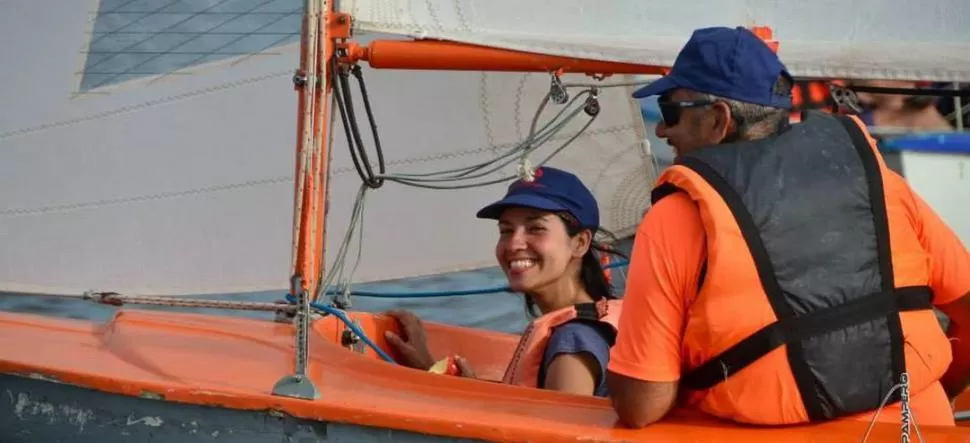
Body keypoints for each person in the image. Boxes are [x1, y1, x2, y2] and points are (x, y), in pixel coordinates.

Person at [606, 26, 970, 428]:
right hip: (917, 428)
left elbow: (642, 405)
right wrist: (936, 390)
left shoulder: (675, 219)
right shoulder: (878, 182)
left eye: (670, 110)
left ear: (718, 119)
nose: (662, 129)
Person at [383, 166, 625, 397]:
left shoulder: (573, 343)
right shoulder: (585, 328)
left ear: (580, 243)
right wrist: (430, 370)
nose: (514, 244)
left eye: (536, 228)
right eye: (506, 231)